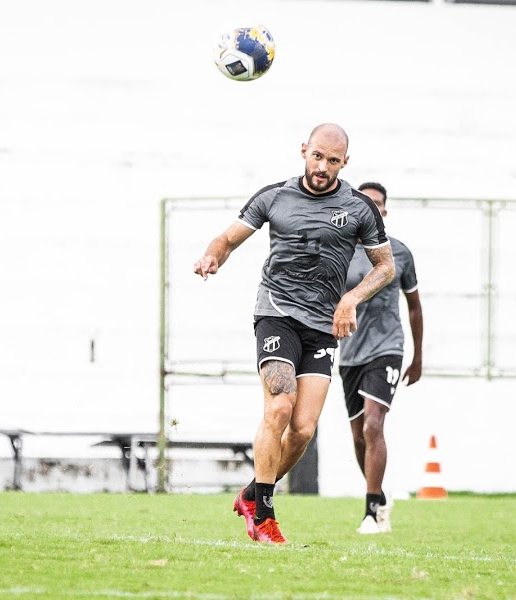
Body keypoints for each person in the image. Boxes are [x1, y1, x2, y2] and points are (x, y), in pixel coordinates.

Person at [193, 123, 395, 544]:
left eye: (333, 161)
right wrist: (212, 257)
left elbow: (385, 266)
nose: (322, 167)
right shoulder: (274, 197)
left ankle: (252, 492)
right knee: (279, 409)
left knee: (303, 428)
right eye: (317, 156)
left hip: (321, 327)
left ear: (345, 162)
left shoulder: (360, 208)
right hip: (277, 313)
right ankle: (265, 513)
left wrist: (349, 299)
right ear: (304, 150)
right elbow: (227, 240)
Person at [337, 182, 423, 535]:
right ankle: (380, 494)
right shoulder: (339, 252)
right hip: (349, 353)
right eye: (364, 203)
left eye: (377, 204)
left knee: (374, 425)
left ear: (384, 211)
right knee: (359, 436)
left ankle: (371, 511)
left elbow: (415, 307)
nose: (371, 208)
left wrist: (417, 357)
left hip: (387, 347)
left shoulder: (399, 253)